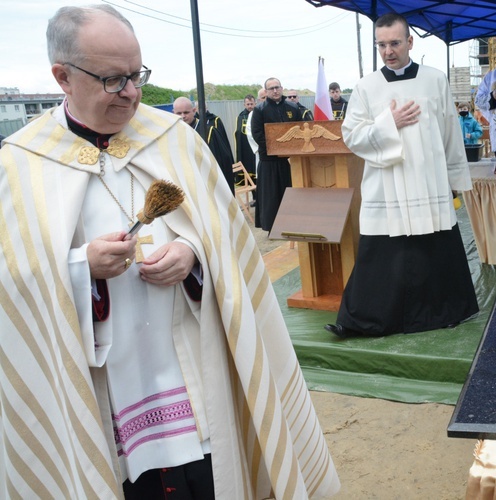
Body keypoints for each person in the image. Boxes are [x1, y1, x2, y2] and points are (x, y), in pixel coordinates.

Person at [0, 5, 340, 499]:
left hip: (191, 372)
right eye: (114, 80)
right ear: (63, 77)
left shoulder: (174, 140)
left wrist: (193, 255)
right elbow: (12, 285)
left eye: (137, 75)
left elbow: (228, 238)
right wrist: (80, 269)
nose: (134, 93)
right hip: (105, 390)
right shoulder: (20, 165)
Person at [325, 13, 478, 338]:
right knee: (382, 257)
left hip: (428, 180)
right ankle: (368, 320)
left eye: (394, 43)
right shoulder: (367, 87)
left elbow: (450, 130)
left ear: (410, 42)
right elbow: (351, 136)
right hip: (387, 184)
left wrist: (454, 181)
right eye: (382, 44)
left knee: (434, 248)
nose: (388, 50)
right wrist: (387, 122)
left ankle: (445, 313)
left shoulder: (435, 79)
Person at [251, 77, 303, 231]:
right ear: (266, 92)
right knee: (271, 197)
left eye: (277, 87)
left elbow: (299, 129)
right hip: (269, 161)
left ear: (282, 88)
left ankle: (293, 223)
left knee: (290, 193)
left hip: (289, 160)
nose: (275, 90)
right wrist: (276, 149)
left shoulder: (293, 108)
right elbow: (257, 134)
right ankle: (272, 226)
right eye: (271, 88)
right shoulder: (259, 110)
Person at [172, 96, 235, 195]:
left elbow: (223, 164)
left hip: (207, 185)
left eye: (186, 112)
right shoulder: (172, 133)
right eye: (179, 113)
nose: (183, 116)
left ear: (194, 111)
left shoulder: (209, 132)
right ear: (173, 112)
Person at [234, 94, 257, 182]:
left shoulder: (258, 114)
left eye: (251, 104)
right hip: (246, 148)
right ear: (244, 105)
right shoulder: (240, 117)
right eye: (248, 104)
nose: (250, 106)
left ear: (255, 103)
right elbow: (239, 133)